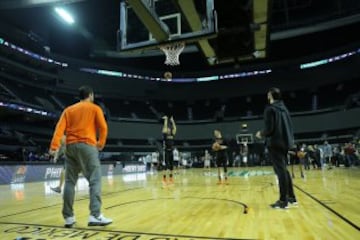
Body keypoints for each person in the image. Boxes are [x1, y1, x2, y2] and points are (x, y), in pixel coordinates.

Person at [49, 86, 112, 228]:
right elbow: (103, 127)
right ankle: (95, 215)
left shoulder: (68, 110)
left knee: (70, 182)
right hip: (87, 145)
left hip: (70, 147)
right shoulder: (95, 108)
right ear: (90, 95)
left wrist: (54, 147)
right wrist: (100, 143)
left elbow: (59, 128)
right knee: (95, 180)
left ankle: (69, 217)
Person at [256, 87, 297, 209]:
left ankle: (283, 201)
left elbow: (270, 129)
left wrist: (261, 134)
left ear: (270, 95)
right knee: (284, 170)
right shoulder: (284, 108)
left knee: (280, 171)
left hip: (274, 143)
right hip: (285, 142)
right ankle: (291, 197)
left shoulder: (270, 109)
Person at [162, 115, 176, 185]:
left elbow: (175, 128)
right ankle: (164, 178)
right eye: (167, 129)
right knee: (165, 166)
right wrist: (166, 120)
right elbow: (164, 127)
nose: (168, 129)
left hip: (171, 151)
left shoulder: (172, 135)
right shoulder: (165, 135)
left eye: (169, 129)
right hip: (166, 151)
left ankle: (171, 178)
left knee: (171, 166)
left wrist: (173, 121)